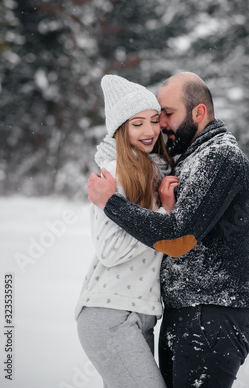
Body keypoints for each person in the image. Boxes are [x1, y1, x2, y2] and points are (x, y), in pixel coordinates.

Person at [87, 72, 249, 388]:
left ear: (199, 113)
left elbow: (177, 239)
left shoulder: (220, 156)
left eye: (166, 114)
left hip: (213, 312)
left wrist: (112, 203)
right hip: (183, 313)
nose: (161, 125)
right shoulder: (189, 159)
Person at [75, 74, 176, 388]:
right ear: (121, 129)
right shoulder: (115, 173)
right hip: (109, 313)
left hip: (140, 314)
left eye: (154, 120)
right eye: (137, 124)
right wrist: (164, 214)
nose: (149, 131)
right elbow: (110, 251)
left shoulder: (154, 167)